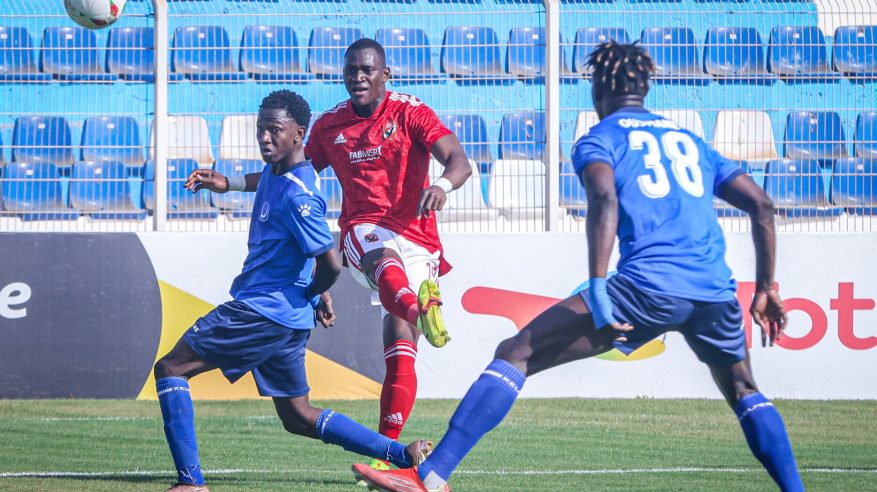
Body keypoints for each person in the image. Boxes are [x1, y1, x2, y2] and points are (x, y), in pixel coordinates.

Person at [352, 42, 805, 492]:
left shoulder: (600, 140)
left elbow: (605, 199)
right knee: (745, 389)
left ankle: (429, 476)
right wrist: (766, 286)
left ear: (596, 88)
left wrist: (598, 285)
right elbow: (762, 205)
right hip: (714, 290)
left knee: (516, 353)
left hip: (645, 288)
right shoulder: (689, 140)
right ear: (645, 87)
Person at [155, 90, 433, 492]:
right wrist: (227, 183)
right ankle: (401, 455)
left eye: (274, 130)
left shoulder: (300, 195)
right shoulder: (277, 173)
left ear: (299, 134)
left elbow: (331, 262)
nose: (264, 138)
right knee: (299, 417)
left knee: (171, 368)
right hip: (283, 321)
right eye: (260, 130)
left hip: (260, 311)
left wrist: (315, 292)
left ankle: (191, 483)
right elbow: (287, 222)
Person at [304, 38, 472, 474]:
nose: (357, 77)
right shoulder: (328, 127)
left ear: (385, 74)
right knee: (381, 260)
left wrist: (442, 186)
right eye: (350, 71)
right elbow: (293, 176)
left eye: (366, 70)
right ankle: (421, 306)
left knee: (400, 348)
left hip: (418, 235)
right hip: (363, 232)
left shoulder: (409, 111)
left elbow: (458, 160)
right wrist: (233, 185)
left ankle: (387, 458)